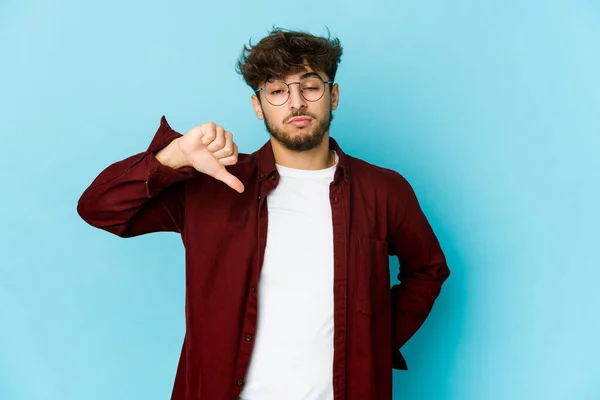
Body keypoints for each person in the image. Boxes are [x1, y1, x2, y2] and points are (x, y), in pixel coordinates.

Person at [77, 27, 450, 400]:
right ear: (258, 105)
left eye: (311, 86)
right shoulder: (212, 183)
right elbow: (100, 209)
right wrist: (173, 156)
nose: (296, 102)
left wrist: (371, 340)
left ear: (332, 95)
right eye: (277, 91)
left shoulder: (383, 190)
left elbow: (428, 269)